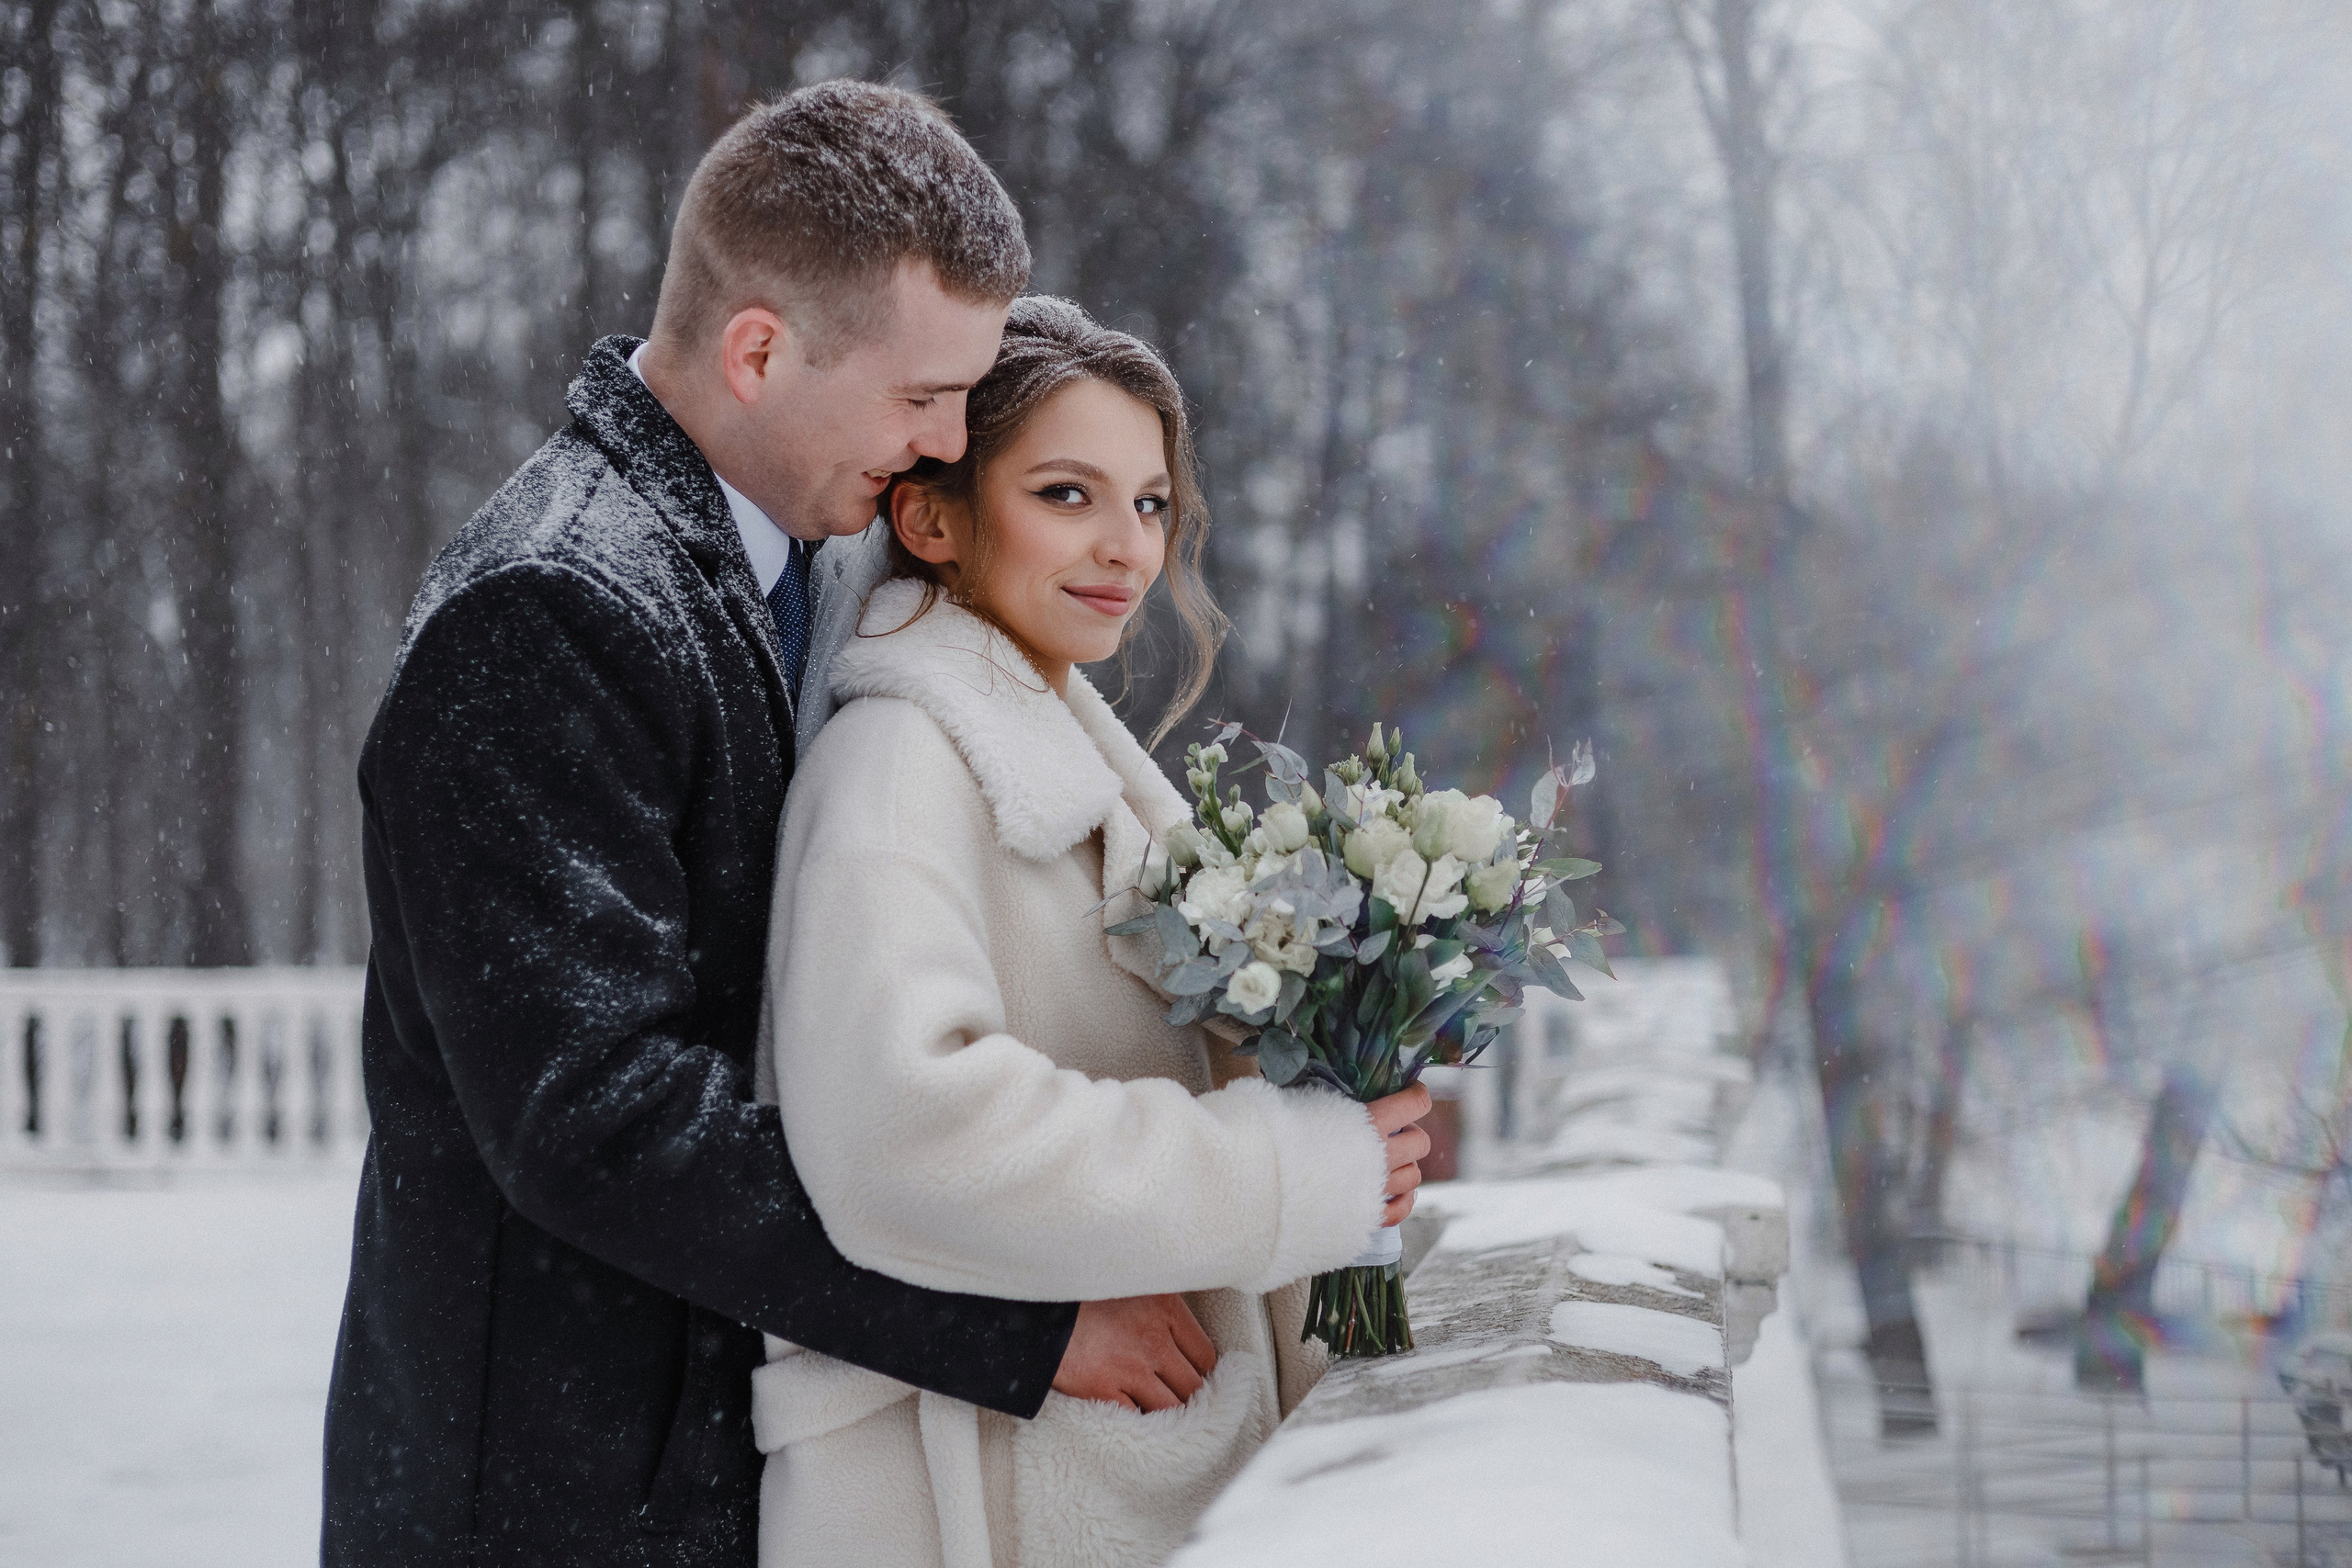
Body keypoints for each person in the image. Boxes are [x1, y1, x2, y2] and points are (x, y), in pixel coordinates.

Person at [323, 81, 1427, 1567]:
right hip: (560, 1489)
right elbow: (595, 1123)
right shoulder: (548, 609)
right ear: (758, 351)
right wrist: (1017, 1319)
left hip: (722, 1460)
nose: (945, 443)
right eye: (921, 399)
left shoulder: (815, 568)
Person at [749, 296, 1430, 1568]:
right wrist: (1283, 1174)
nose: (1127, 547)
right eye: (1067, 494)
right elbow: (906, 1132)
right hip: (972, 1497)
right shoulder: (897, 768)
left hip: (1100, 1471)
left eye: (1151, 503)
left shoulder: (1071, 758)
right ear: (931, 519)